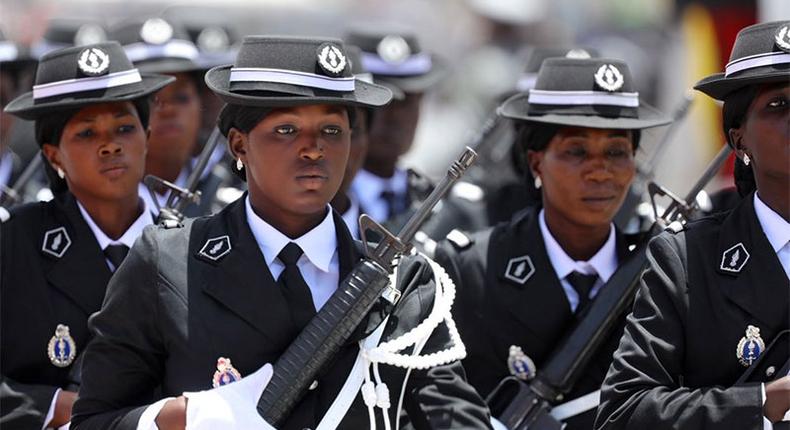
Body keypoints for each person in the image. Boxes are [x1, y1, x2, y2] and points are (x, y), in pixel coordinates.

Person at [70, 36, 492, 430]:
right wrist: (183, 416)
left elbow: (452, 415)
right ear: (239, 145)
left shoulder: (404, 282)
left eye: (332, 131)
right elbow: (94, 420)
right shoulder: (168, 263)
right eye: (287, 130)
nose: (314, 149)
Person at [435, 56, 671, 429]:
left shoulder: (664, 272)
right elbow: (438, 402)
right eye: (576, 151)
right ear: (536, 163)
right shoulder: (472, 269)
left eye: (616, 152)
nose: (600, 171)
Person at [595, 20, 790, 430]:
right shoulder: (686, 259)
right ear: (740, 142)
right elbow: (624, 411)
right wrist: (762, 404)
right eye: (779, 105)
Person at [0, 41, 173, 429]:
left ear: (146, 135)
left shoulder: (196, 243)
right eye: (86, 134)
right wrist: (55, 406)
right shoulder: (14, 243)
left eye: (124, 128)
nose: (110, 145)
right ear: (53, 155)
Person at [111, 17, 219, 218]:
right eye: (151, 99)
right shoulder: (87, 204)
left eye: (181, 97)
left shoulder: (239, 193)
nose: (168, 110)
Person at [346, 28, 445, 226]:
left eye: (408, 101)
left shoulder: (435, 202)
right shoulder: (322, 203)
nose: (395, 116)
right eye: (383, 101)